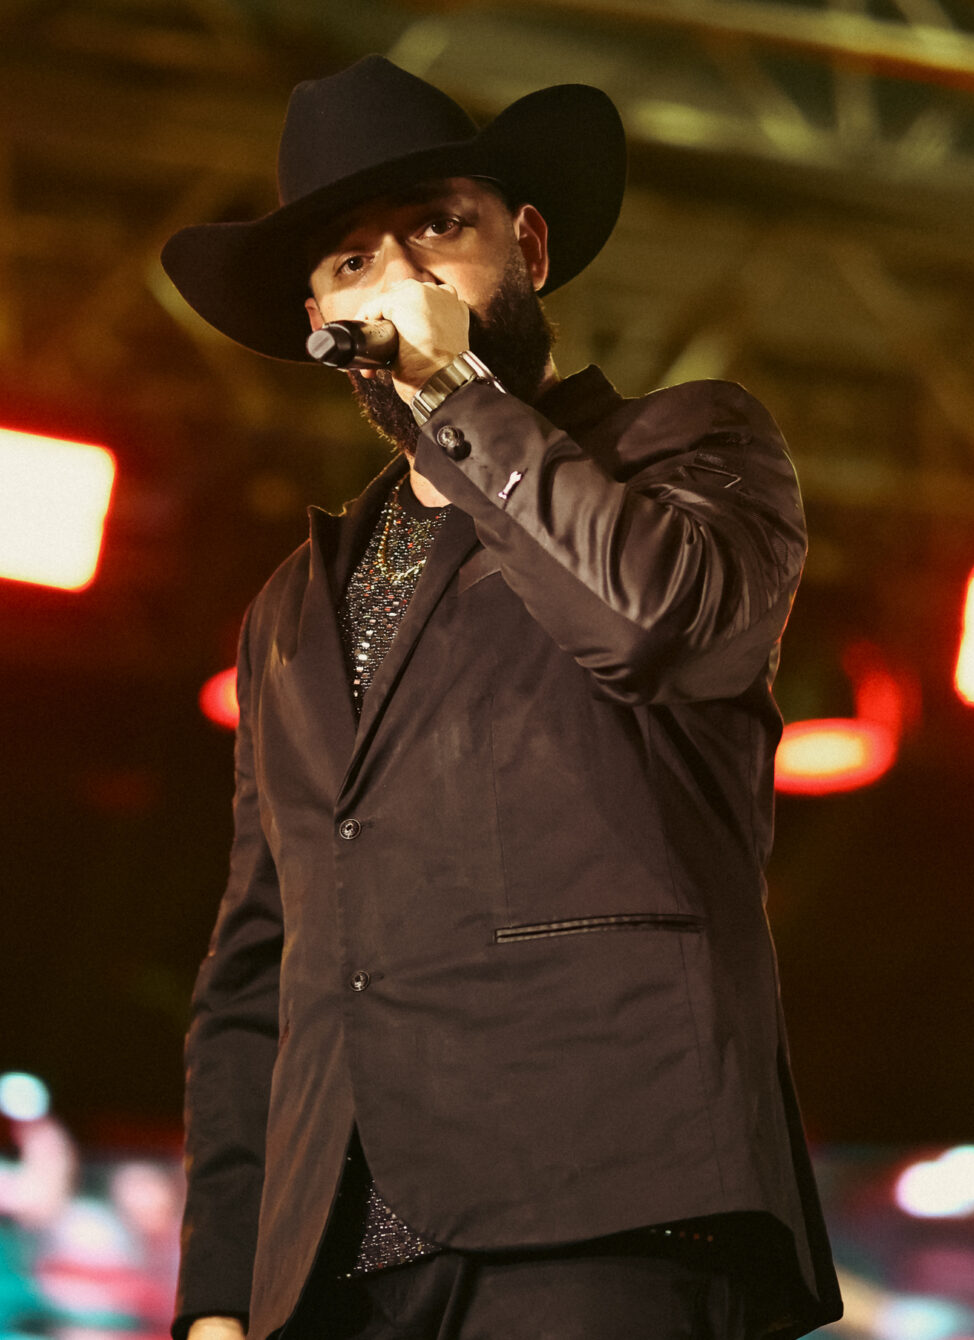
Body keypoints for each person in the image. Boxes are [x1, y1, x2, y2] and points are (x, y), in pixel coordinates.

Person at [158, 54, 842, 1340]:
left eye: (436, 228)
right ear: (319, 318)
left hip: (598, 1202)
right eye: (352, 260)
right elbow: (260, 960)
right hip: (334, 1263)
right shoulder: (292, 608)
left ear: (524, 245)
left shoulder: (687, 446)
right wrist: (221, 1292)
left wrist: (457, 395)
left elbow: (647, 626)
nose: (399, 279)